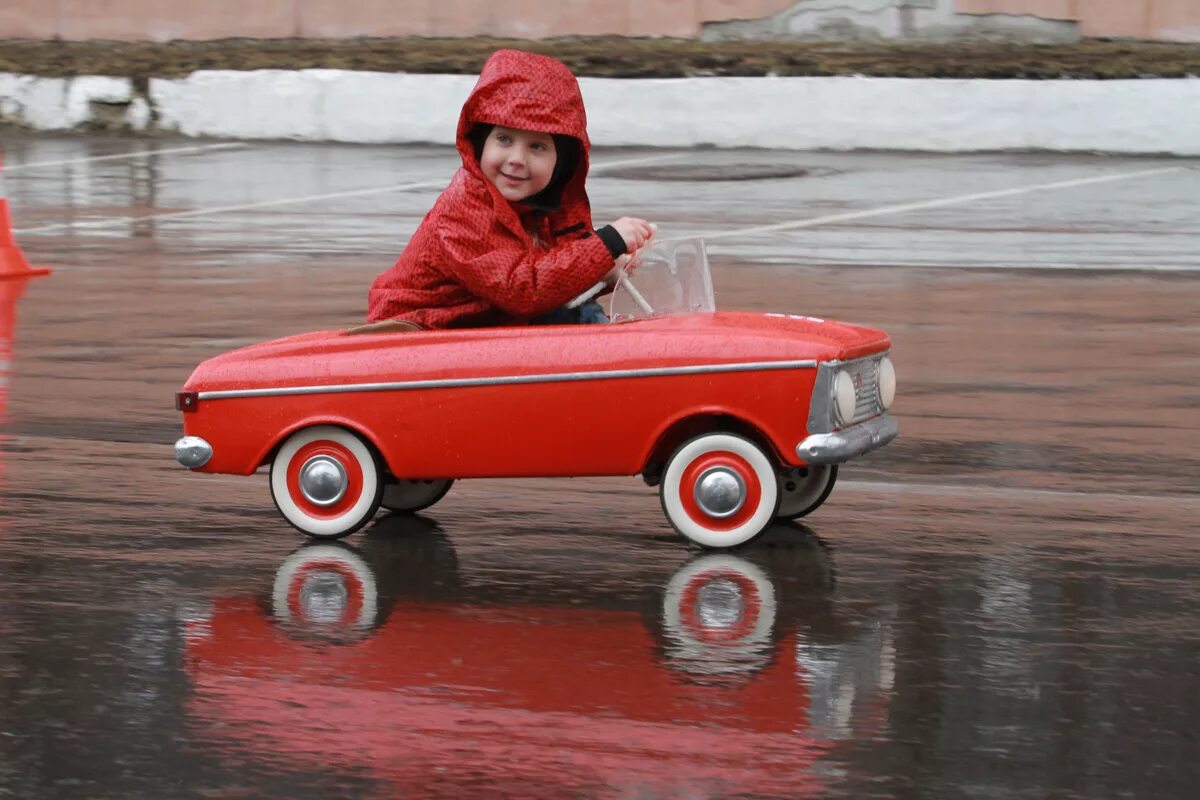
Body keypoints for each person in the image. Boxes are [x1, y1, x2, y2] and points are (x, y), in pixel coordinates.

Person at [366, 49, 654, 330]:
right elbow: (523, 291)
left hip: (482, 324)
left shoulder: (543, 209)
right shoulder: (463, 212)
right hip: (413, 333)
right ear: (480, 144)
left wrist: (602, 270)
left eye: (537, 146)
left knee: (574, 308)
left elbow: (553, 276)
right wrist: (607, 243)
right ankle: (611, 363)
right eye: (504, 139)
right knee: (568, 315)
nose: (517, 159)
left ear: (561, 163)